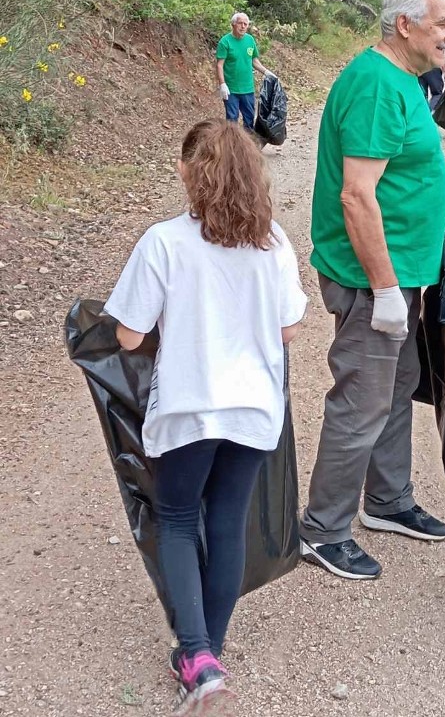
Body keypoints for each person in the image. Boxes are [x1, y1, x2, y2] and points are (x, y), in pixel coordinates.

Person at [104, 120, 307, 714]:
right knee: (227, 521)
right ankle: (207, 652)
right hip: (253, 407)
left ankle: (195, 654)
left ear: (189, 174)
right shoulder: (274, 242)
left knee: (173, 516)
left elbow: (129, 331)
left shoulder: (164, 242)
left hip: (191, 406)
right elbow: (290, 327)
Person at [299, 0, 445, 580]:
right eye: (441, 23)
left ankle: (387, 500)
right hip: (371, 278)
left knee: (399, 381)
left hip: (396, 274)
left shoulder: (404, 81)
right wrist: (386, 289)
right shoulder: (374, 86)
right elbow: (357, 198)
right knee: (362, 398)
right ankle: (322, 528)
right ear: (405, 26)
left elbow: (401, 174)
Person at [215, 12, 276, 129]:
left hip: (248, 88)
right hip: (231, 89)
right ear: (233, 24)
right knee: (232, 120)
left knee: (249, 119)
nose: (243, 26)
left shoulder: (250, 40)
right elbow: (219, 65)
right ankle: (232, 144)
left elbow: (254, 61)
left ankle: (247, 145)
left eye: (245, 24)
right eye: (240, 23)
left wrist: (267, 72)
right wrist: (222, 84)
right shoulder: (225, 42)